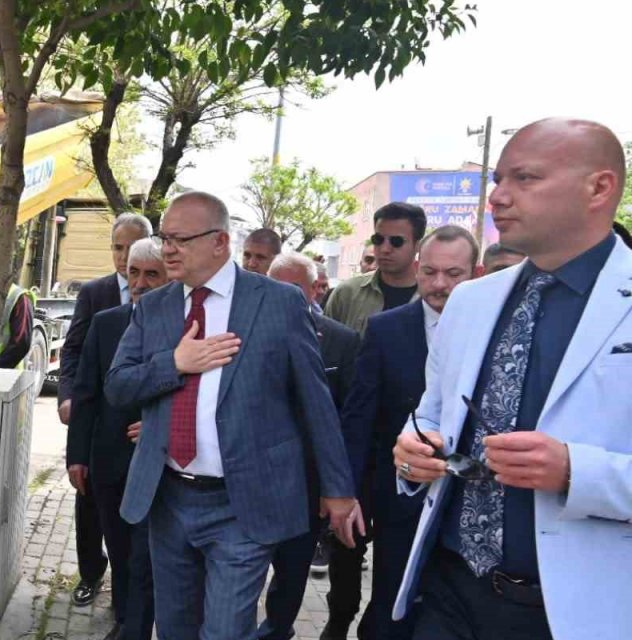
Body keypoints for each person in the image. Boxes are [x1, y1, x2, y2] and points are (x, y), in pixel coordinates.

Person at [393, 118, 632, 640]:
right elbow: (431, 411)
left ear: (599, 187)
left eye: (524, 179)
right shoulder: (472, 300)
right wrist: (415, 448)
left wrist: (577, 471)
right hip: (449, 590)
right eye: (498, 179)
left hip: (578, 611)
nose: (497, 197)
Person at [107, 191, 360, 640]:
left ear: (220, 242)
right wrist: (175, 363)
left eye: (180, 240)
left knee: (224, 631)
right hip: (168, 500)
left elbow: (316, 402)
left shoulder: (278, 303)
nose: (167, 249)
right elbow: (118, 386)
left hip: (242, 502)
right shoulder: (155, 307)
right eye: (165, 238)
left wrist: (338, 490)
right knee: (176, 629)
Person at [339, 225, 481, 640]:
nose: (440, 285)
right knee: (391, 600)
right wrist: (346, 491)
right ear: (417, 270)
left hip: (470, 501)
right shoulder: (385, 329)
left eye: (453, 274)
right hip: (399, 495)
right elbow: (359, 416)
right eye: (431, 272)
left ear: (475, 272)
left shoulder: (492, 329)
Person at [259, 252, 361, 640]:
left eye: (292, 289)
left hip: (305, 485)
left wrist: (333, 487)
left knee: (291, 571)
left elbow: (345, 421)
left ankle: (278, 630)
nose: (281, 296)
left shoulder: (342, 341)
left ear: (315, 289)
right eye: (275, 286)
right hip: (249, 478)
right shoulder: (239, 332)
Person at [67, 237, 164, 640]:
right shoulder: (107, 323)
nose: (140, 283)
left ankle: (142, 625)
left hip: (162, 465)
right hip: (109, 461)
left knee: (150, 557)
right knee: (122, 553)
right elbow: (86, 393)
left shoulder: (185, 329)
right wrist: (77, 457)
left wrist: (161, 426)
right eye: (134, 273)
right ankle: (125, 620)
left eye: (151, 274)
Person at [58, 211, 152, 605]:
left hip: (138, 428)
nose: (122, 256)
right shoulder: (95, 294)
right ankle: (91, 573)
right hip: (98, 417)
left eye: (130, 247)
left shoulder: (163, 296)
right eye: (117, 247)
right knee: (90, 500)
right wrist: (68, 396)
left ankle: (129, 598)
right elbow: (74, 350)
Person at [324, 203, 427, 333]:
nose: (385, 249)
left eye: (396, 242)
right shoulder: (347, 293)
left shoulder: (432, 296)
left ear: (418, 245)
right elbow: (325, 345)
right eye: (378, 239)